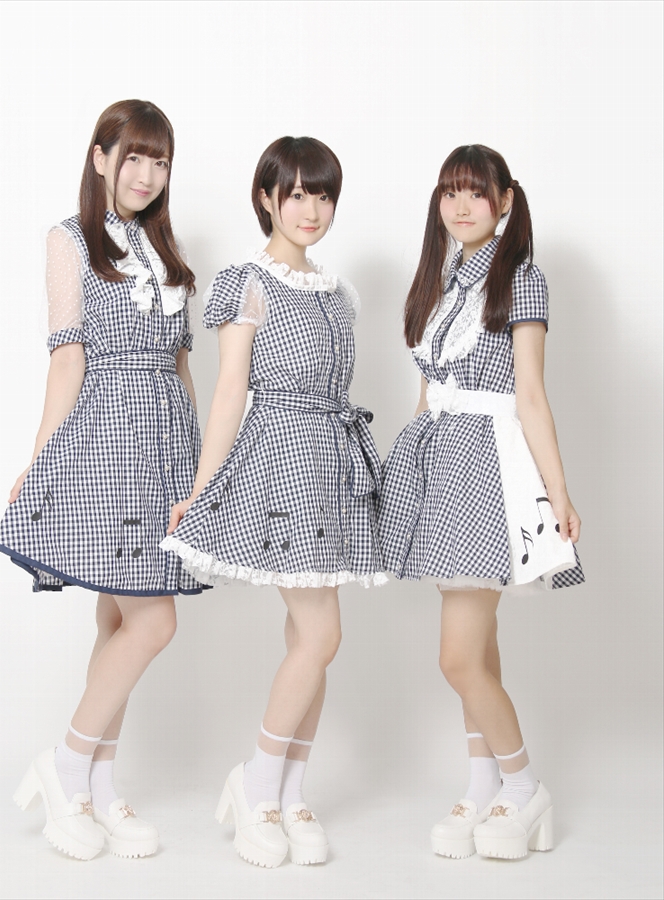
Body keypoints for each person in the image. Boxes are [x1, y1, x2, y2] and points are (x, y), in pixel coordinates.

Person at [161, 136, 386, 867]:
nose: (310, 209)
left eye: (322, 195)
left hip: (331, 465)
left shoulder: (340, 292)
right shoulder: (247, 282)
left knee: (308, 641)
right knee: (323, 636)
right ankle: (256, 784)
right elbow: (230, 390)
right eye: (295, 194)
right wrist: (202, 487)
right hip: (279, 461)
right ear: (267, 198)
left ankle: (289, 793)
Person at [0, 99, 204, 860]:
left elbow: (182, 367)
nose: (146, 175)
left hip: (166, 445)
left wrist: (199, 469)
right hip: (106, 439)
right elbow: (67, 358)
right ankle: (66, 765)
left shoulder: (168, 252)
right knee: (155, 621)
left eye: (160, 161)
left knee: (120, 620)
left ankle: (95, 788)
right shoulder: (70, 239)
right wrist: (39, 458)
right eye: (133, 157)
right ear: (100, 157)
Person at [379, 144, 584, 860]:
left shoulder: (521, 277)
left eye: (475, 192)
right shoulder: (443, 280)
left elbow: (530, 396)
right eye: (449, 192)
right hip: (440, 465)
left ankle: (524, 787)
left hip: (489, 472)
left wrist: (559, 493)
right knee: (480, 651)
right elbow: (429, 392)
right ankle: (483, 784)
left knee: (457, 657)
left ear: (505, 200)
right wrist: (410, 477)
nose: (461, 206)